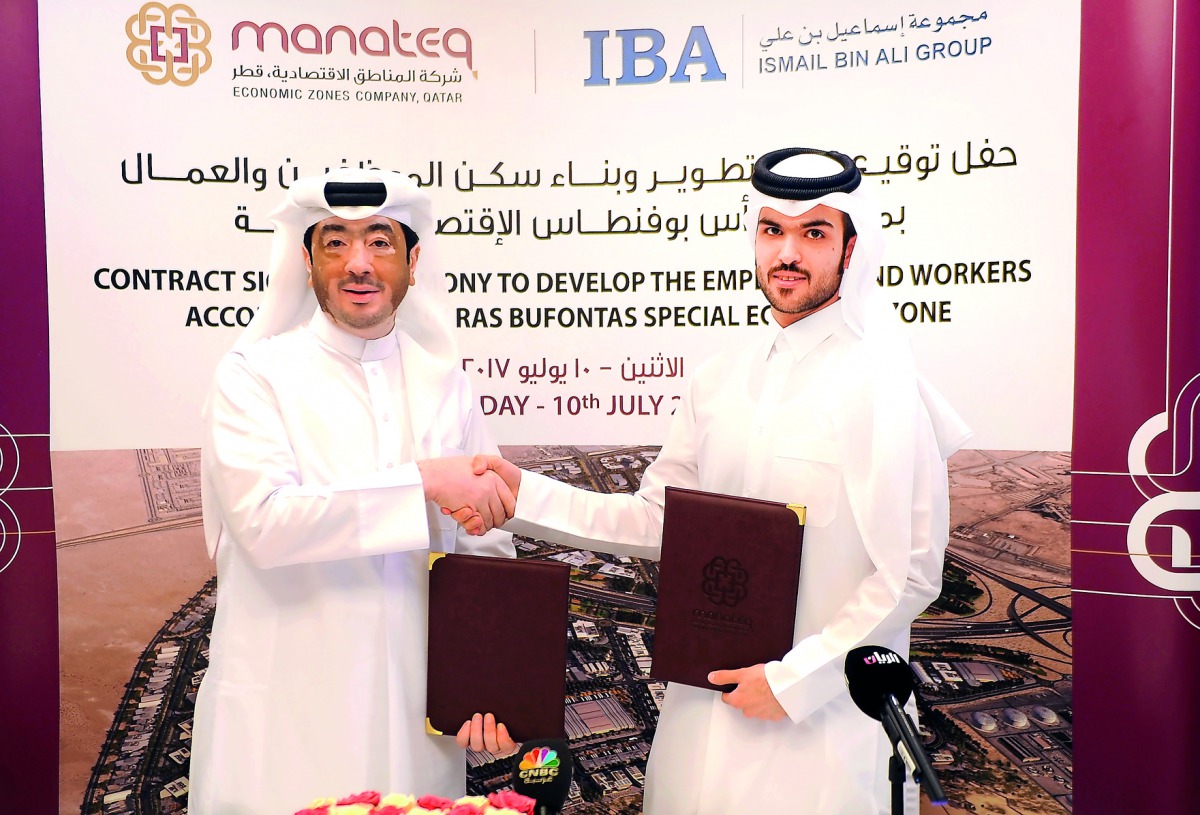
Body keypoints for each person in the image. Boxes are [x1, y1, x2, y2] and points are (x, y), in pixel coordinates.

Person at [470, 148, 971, 814]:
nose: (787, 251)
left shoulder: (887, 390)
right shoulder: (718, 381)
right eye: (772, 230)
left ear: (850, 249)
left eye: (814, 233)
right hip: (701, 725)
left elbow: (908, 572)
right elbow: (659, 522)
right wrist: (519, 493)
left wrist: (794, 682)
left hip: (822, 736)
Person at [190, 169, 517, 815]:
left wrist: (486, 682)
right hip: (285, 715)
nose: (358, 264)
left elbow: (484, 549)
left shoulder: (445, 381)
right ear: (306, 261)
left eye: (380, 241)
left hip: (414, 710)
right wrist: (423, 480)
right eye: (335, 242)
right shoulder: (254, 376)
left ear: (414, 260)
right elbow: (265, 524)